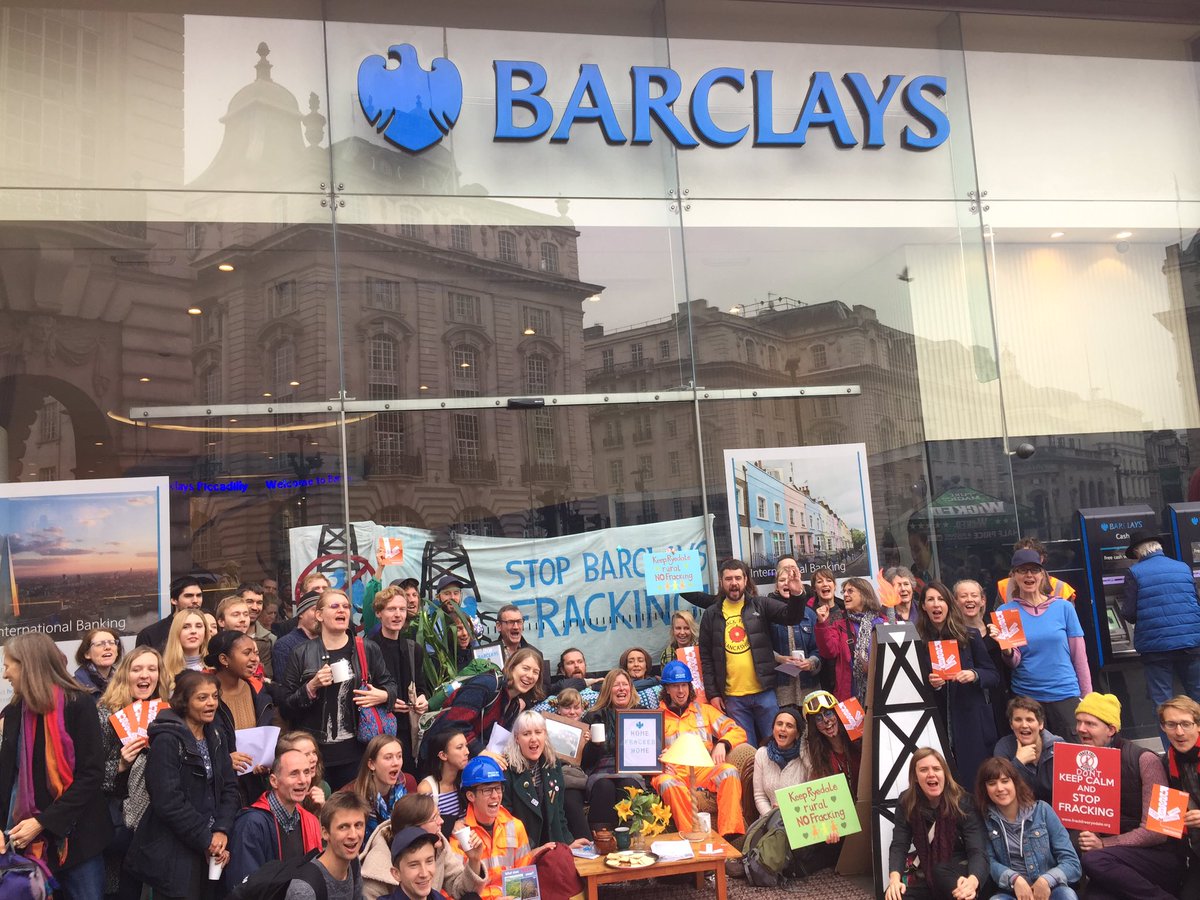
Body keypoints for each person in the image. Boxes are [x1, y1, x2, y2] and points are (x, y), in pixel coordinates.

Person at [0, 632, 112, 900]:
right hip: (26, 843)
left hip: (78, 841)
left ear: (27, 665)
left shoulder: (79, 704)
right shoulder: (14, 710)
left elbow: (91, 775)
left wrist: (42, 822)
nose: (5, 674)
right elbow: (6, 776)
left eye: (8, 665)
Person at [126, 670, 239, 900]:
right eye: (202, 698)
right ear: (184, 702)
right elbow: (168, 801)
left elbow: (229, 787)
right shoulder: (167, 740)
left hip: (211, 846)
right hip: (174, 851)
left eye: (215, 697)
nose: (211, 703)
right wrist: (206, 839)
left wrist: (221, 830)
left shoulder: (216, 734)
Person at [280, 588, 397, 788]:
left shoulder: (366, 648)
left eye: (346, 607)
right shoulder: (301, 652)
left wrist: (383, 695)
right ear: (319, 615)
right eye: (334, 606)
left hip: (357, 752)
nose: (341, 611)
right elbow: (285, 706)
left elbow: (391, 685)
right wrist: (311, 686)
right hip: (314, 755)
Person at [1071, 692, 1182, 899]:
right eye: (1078, 722)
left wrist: (1104, 844)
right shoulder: (1079, 761)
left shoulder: (1146, 759)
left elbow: (1160, 831)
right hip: (1114, 863)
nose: (1080, 729)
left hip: (1158, 857)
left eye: (1090, 723)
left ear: (1111, 729)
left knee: (1094, 860)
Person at [698, 557, 806, 746]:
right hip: (733, 698)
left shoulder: (760, 605)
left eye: (738, 578)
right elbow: (706, 657)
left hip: (764, 692)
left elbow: (792, 617)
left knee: (777, 745)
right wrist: (713, 694)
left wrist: (797, 595)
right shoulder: (711, 614)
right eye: (729, 579)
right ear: (721, 582)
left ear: (746, 580)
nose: (734, 583)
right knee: (745, 752)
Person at [96, 645, 168, 900]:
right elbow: (88, 772)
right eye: (137, 669)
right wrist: (120, 765)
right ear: (126, 674)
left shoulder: (169, 714)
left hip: (161, 820)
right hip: (121, 825)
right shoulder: (105, 713)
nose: (144, 675)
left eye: (151, 669)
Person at [996, 549, 1091, 740]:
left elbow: (1079, 654)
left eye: (1034, 570)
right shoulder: (1005, 611)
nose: (1029, 575)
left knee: (1071, 759)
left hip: (1065, 695)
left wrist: (1087, 697)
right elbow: (1014, 662)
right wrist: (1007, 651)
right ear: (1014, 575)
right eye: (1023, 570)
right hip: (1027, 699)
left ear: (1043, 575)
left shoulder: (1063, 607)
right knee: (1033, 759)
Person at [917, 581, 999, 788]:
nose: (936, 605)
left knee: (976, 782)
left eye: (941, 599)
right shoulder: (919, 642)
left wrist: (974, 674)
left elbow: (993, 675)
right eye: (930, 600)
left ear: (949, 604)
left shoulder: (969, 635)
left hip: (972, 722)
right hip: (940, 723)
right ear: (923, 606)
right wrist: (933, 684)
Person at [1121, 529, 1200, 742]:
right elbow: (1195, 601)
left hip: (1156, 648)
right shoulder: (1182, 567)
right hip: (1190, 642)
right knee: (1197, 697)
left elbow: (1128, 613)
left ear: (1138, 552)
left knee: (1162, 703)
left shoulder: (1135, 573)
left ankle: (1172, 754)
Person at [655, 660, 747, 837]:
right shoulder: (656, 716)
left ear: (690, 686)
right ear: (667, 689)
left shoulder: (704, 711)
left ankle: (730, 834)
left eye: (684, 685)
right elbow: (644, 751)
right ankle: (691, 836)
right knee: (666, 783)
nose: (681, 691)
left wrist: (723, 743)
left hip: (703, 771)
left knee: (729, 772)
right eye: (675, 686)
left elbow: (736, 730)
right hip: (674, 772)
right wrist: (658, 760)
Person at [885, 747, 987, 900]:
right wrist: (894, 880)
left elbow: (977, 850)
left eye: (936, 769)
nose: (931, 774)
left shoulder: (964, 802)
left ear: (945, 774)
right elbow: (899, 844)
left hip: (962, 871)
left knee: (940, 872)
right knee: (892, 896)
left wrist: (973, 882)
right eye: (924, 770)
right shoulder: (906, 802)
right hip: (928, 871)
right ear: (915, 777)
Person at [975, 756, 1080, 900]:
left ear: (1015, 783)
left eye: (1005, 781)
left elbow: (1072, 863)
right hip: (1011, 892)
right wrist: (1014, 879)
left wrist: (1046, 880)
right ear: (985, 788)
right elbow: (989, 863)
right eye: (992, 783)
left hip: (1051, 889)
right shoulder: (985, 821)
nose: (1000, 788)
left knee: (1067, 895)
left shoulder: (1042, 811)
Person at [449, 756, 550, 900]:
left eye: (498, 788)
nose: (495, 796)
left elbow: (526, 886)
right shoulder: (460, 835)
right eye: (487, 790)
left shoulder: (515, 827)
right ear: (471, 795)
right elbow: (453, 892)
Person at [421, 647, 543, 763]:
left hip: (469, 763)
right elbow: (454, 723)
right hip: (439, 760)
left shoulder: (515, 705)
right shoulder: (487, 684)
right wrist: (480, 751)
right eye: (525, 668)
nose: (530, 676)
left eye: (536, 672)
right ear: (512, 668)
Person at [225, 748, 323, 890]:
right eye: (294, 774)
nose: (303, 780)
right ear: (274, 781)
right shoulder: (251, 823)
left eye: (306, 772)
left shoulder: (309, 821)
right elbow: (245, 888)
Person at [361, 793, 486, 900]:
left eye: (429, 861)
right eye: (434, 818)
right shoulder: (374, 873)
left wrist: (474, 860)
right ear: (412, 829)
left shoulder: (439, 843)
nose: (441, 821)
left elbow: (461, 891)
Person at [207, 630, 276, 799]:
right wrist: (224, 760)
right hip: (221, 789)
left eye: (256, 653)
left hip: (255, 785)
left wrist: (267, 761)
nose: (255, 659)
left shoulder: (259, 692)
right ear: (224, 660)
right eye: (247, 653)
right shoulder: (205, 698)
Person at [368, 585, 430, 772]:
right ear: (379, 613)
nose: (397, 614)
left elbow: (422, 686)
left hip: (406, 730)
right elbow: (361, 691)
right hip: (377, 729)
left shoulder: (413, 649)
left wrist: (422, 699)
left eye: (402, 609)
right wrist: (387, 700)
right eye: (391, 609)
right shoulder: (368, 648)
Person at [503, 711, 588, 844]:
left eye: (538, 732)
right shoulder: (506, 770)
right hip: (524, 850)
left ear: (545, 735)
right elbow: (505, 821)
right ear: (516, 738)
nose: (533, 739)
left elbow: (559, 813)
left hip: (553, 846)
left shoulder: (553, 765)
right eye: (526, 734)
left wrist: (568, 842)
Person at [580, 669, 645, 831]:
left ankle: (632, 838)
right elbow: (584, 761)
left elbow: (652, 748)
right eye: (616, 685)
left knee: (628, 784)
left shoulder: (643, 713)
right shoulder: (593, 716)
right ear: (608, 690)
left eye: (625, 684)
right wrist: (592, 745)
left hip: (632, 771)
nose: (621, 688)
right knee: (604, 787)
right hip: (600, 772)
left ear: (631, 688)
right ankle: (602, 840)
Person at [283, 790, 370, 900]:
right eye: (343, 827)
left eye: (358, 825)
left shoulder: (353, 863)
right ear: (325, 833)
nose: (353, 835)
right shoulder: (304, 890)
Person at [816, 576, 887, 703]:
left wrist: (872, 668)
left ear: (865, 595)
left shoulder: (882, 623)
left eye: (850, 591)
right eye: (844, 592)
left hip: (881, 691)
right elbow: (829, 652)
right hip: (850, 695)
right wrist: (822, 623)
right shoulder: (840, 625)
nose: (845, 595)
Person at [1158, 695, 1200, 900]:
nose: (1179, 732)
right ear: (1163, 727)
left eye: (1186, 724)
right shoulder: (1164, 763)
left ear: (1198, 726)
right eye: (1171, 724)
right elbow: (1166, 820)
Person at [771, 557, 821, 707]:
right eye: (782, 580)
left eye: (790, 579)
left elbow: (818, 649)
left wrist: (811, 662)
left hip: (808, 686)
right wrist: (780, 658)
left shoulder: (810, 614)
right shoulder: (769, 613)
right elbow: (761, 648)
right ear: (776, 586)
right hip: (781, 687)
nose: (787, 583)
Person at [992, 697, 1061, 803]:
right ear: (1011, 724)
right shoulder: (1003, 747)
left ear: (1040, 724)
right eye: (1018, 720)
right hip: (1021, 808)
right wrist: (1018, 762)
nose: (1024, 725)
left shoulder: (1058, 747)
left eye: (1030, 720)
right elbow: (999, 787)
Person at [800, 690, 861, 798]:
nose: (826, 721)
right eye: (818, 718)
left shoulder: (858, 742)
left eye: (828, 713)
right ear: (814, 726)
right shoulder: (816, 756)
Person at [353, 735, 415, 838]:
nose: (396, 763)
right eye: (388, 757)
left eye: (399, 756)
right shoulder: (354, 794)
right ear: (372, 764)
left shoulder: (408, 783)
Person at [752, 705, 807, 818]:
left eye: (789, 726)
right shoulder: (762, 754)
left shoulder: (805, 755)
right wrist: (772, 816)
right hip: (769, 821)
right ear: (773, 729)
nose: (783, 729)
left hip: (800, 819)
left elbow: (812, 795)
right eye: (779, 724)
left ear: (797, 734)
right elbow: (759, 796)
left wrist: (788, 813)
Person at [418, 728, 469, 837]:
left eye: (466, 746)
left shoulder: (465, 781)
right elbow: (426, 826)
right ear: (443, 755)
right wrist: (451, 825)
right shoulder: (427, 788)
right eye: (460, 748)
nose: (467, 752)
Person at [377, 826, 453, 900]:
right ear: (396, 873)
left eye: (429, 861)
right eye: (414, 865)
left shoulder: (438, 897)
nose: (424, 874)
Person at [995, 539, 1076, 606]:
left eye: (1032, 556)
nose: (1029, 574)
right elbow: (1000, 621)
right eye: (1022, 569)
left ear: (1041, 559)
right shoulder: (1004, 586)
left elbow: (1070, 622)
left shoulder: (1061, 588)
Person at [136, 575, 205, 651]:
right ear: (174, 600)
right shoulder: (150, 634)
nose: (195, 600)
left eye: (199, 595)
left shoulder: (208, 628)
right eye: (188, 596)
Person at [278, 730, 332, 814]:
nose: (314, 759)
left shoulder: (323, 787)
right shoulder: (274, 789)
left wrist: (323, 808)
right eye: (306, 755)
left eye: (314, 752)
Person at [273, 589, 321, 679]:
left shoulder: (327, 641)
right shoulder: (284, 645)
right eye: (315, 610)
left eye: (322, 611)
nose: (319, 615)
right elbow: (284, 686)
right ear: (301, 613)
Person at [162, 608, 211, 693]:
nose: (193, 631)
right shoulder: (162, 672)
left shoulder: (216, 669)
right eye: (185, 627)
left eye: (199, 626)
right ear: (176, 632)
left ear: (205, 631)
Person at [240, 581, 278, 680]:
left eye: (259, 603)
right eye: (249, 602)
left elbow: (271, 678)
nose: (255, 607)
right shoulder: (222, 638)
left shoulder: (270, 639)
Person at [73, 626, 122, 694]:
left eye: (111, 643)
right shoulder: (74, 687)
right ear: (87, 653)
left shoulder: (124, 683)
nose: (108, 647)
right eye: (100, 644)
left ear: (117, 652)